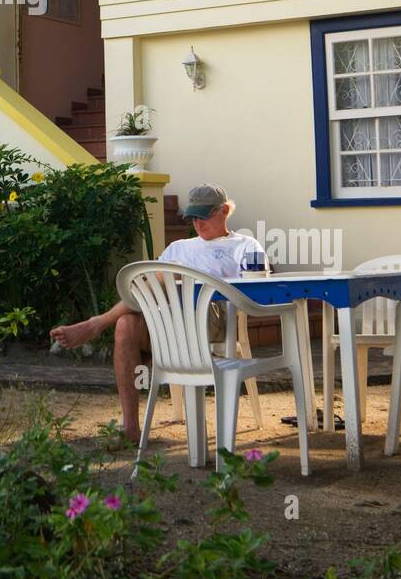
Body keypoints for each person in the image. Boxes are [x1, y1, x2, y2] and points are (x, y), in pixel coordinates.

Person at [49, 184, 268, 442]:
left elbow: (256, 289)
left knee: (166, 272)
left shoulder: (244, 244)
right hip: (167, 320)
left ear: (224, 211)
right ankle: (130, 427)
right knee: (126, 325)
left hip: (212, 317)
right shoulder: (179, 247)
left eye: (204, 216)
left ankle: (97, 324)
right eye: (193, 217)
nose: (197, 223)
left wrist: (185, 278)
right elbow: (147, 286)